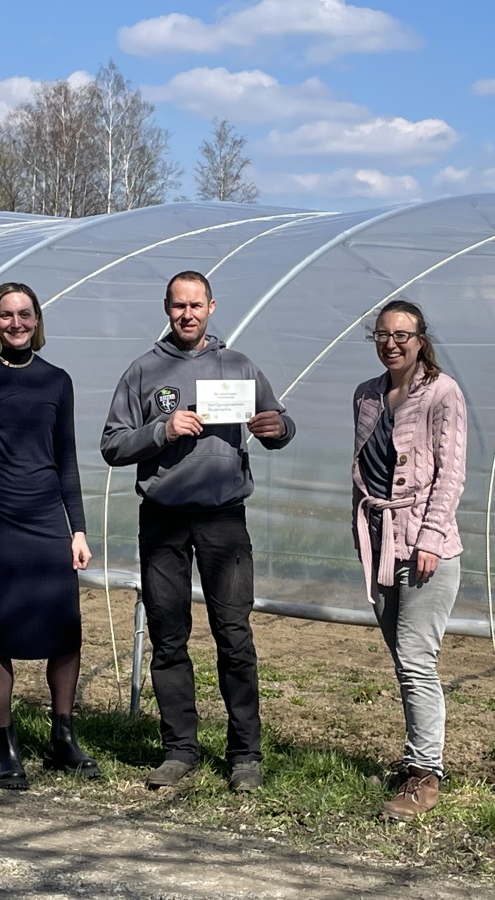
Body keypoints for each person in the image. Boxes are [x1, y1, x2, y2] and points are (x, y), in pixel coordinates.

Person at [100, 270, 295, 793]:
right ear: (166, 308)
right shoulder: (143, 372)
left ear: (212, 307)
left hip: (223, 518)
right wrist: (163, 430)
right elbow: (112, 445)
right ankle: (179, 749)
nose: (187, 315)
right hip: (162, 518)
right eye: (177, 306)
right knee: (168, 637)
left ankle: (244, 755)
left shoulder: (238, 365)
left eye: (196, 305)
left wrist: (279, 428)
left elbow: (277, 422)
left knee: (234, 637)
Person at [0, 281, 100, 791]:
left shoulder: (57, 380)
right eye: (7, 315)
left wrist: (77, 528)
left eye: (26, 314)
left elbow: (68, 458)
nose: (17, 323)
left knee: (65, 627)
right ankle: (6, 745)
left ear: (38, 320)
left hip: (44, 519)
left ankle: (62, 735)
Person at [352, 299, 466, 821]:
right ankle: (416, 761)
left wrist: (430, 538)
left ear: (421, 339)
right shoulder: (367, 396)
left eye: (402, 334)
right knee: (404, 662)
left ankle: (425, 774)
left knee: (417, 660)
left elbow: (450, 473)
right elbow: (363, 474)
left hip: (426, 549)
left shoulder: (441, 393)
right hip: (381, 546)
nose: (391, 343)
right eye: (382, 334)